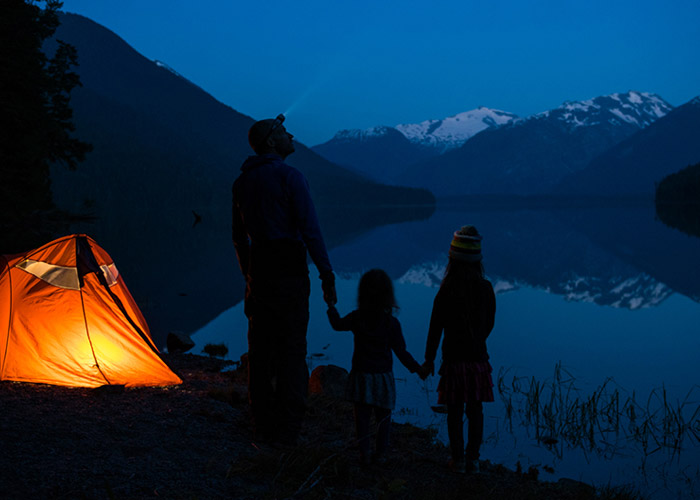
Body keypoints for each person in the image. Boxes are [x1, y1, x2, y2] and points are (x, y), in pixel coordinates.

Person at [232, 114, 337, 446]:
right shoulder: (291, 177)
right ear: (271, 142)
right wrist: (326, 273)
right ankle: (289, 429)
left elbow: (238, 236)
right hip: (290, 269)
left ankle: (261, 423)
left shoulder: (242, 182)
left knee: (260, 347)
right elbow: (310, 230)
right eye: (283, 132)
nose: (291, 135)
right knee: (292, 347)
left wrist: (248, 271)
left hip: (260, 268)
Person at [327, 269, 425, 465]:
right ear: (388, 296)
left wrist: (331, 306)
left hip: (361, 376)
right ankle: (381, 455)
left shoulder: (356, 317)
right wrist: (418, 369)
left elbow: (337, 325)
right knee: (383, 419)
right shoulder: (391, 323)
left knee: (361, 418)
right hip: (382, 378)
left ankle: (364, 454)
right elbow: (401, 353)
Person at [421, 225, 496, 474]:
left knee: (454, 412)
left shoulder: (446, 291)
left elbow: (435, 330)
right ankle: (473, 459)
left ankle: (457, 459)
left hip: (453, 361)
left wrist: (429, 359)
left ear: (452, 259)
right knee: (476, 410)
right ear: (478, 261)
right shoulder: (486, 290)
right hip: (477, 360)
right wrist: (477, 341)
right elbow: (489, 325)